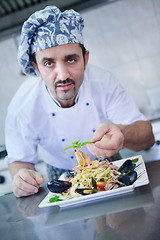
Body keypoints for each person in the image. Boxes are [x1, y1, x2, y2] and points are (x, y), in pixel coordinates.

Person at [4, 6, 155, 198]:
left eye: (71, 60)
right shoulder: (22, 106)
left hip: (109, 168)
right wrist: (22, 177)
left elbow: (147, 137)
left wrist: (122, 133)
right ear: (37, 68)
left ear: (85, 58)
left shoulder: (104, 82)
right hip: (60, 175)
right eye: (49, 63)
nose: (63, 75)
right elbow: (19, 161)